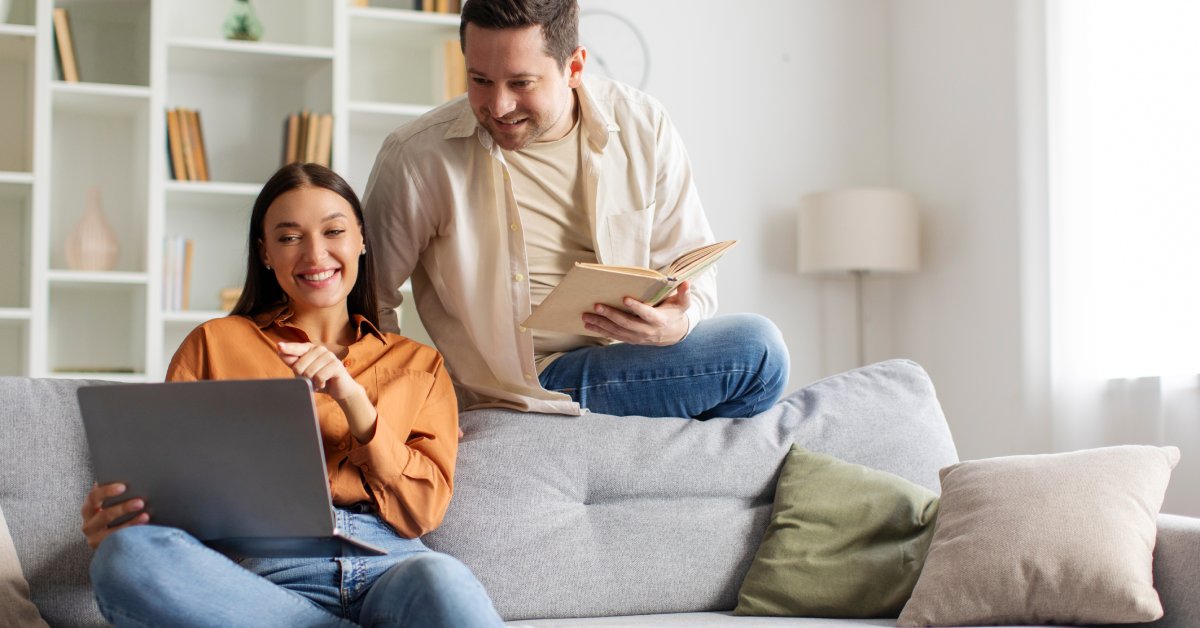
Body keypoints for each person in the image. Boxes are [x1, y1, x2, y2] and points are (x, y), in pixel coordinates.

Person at [79, 163, 504, 628]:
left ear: (361, 239)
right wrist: (124, 520)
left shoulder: (421, 364)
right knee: (125, 556)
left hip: (394, 563)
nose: (315, 253)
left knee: (443, 580)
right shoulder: (215, 344)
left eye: (334, 231)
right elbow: (175, 490)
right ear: (265, 252)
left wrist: (354, 399)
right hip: (263, 581)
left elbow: (423, 511)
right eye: (288, 237)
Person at [363, 0, 789, 419]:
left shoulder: (644, 124)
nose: (498, 105)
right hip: (521, 385)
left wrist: (677, 322)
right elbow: (367, 299)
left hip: (626, 359)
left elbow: (693, 265)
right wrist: (410, 403)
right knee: (758, 353)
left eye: (521, 83)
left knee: (754, 355)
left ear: (575, 68)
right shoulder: (417, 156)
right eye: (479, 80)